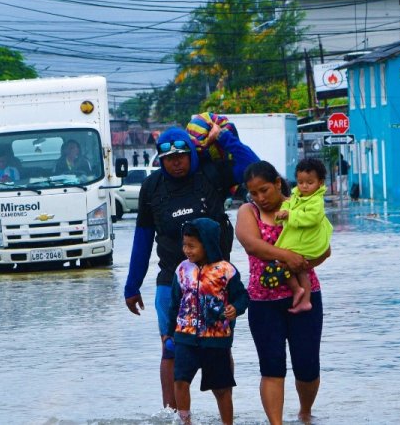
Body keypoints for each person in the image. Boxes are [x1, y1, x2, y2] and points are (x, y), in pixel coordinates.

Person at [123, 121, 259, 411]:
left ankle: (226, 416)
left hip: (217, 282)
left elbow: (254, 168)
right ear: (160, 160)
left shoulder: (211, 173)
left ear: (192, 153)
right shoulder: (152, 187)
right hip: (172, 280)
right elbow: (143, 238)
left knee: (220, 348)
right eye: (169, 159)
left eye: (182, 156)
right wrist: (132, 285)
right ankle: (174, 415)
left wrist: (224, 138)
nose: (176, 163)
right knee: (171, 348)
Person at [238, 161, 330, 425]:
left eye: (264, 190)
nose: (260, 198)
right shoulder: (248, 212)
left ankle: (304, 413)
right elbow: (251, 244)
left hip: (306, 295)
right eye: (254, 193)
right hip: (263, 302)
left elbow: (325, 246)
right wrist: (288, 256)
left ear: (278, 183)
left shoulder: (302, 205)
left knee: (307, 365)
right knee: (271, 367)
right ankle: (276, 423)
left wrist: (304, 263)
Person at [166, 218, 249, 425]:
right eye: (184, 245)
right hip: (184, 338)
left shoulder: (225, 270)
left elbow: (242, 297)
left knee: (221, 388)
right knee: (180, 381)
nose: (187, 250)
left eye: (192, 246)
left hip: (216, 340)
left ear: (208, 243)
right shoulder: (182, 270)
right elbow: (174, 304)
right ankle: (186, 422)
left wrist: (235, 309)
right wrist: (169, 333)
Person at [275, 158, 333, 314]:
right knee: (291, 266)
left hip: (307, 242)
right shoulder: (296, 195)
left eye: (309, 182)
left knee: (295, 266)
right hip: (298, 239)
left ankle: (304, 297)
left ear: (320, 182)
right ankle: (300, 293)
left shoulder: (316, 201)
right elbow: (287, 205)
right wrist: (282, 212)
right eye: (300, 182)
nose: (304, 186)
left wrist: (290, 215)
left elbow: (312, 217)